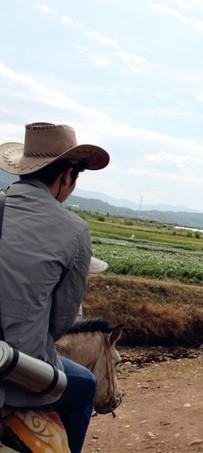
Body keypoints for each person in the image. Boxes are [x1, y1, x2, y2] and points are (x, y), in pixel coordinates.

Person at [0, 122, 110, 453]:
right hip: (16, 370)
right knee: (86, 385)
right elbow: (61, 322)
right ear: (67, 177)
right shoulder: (75, 231)